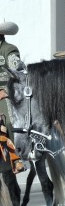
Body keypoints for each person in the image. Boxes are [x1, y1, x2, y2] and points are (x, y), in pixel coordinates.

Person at [0, 20, 25, 173]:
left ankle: (17, 159)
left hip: (6, 92)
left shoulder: (9, 50)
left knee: (8, 121)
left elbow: (17, 73)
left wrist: (5, 92)